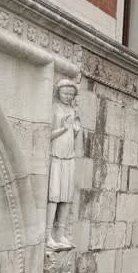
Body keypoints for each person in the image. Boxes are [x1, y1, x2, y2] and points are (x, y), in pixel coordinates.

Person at [47, 79, 80, 251]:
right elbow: (47, 134)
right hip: (56, 157)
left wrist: (75, 130)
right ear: (58, 92)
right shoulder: (53, 107)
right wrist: (63, 128)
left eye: (71, 94)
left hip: (69, 157)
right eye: (65, 93)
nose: (68, 97)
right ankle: (48, 236)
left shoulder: (72, 109)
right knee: (54, 195)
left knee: (66, 197)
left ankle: (59, 233)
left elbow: (71, 137)